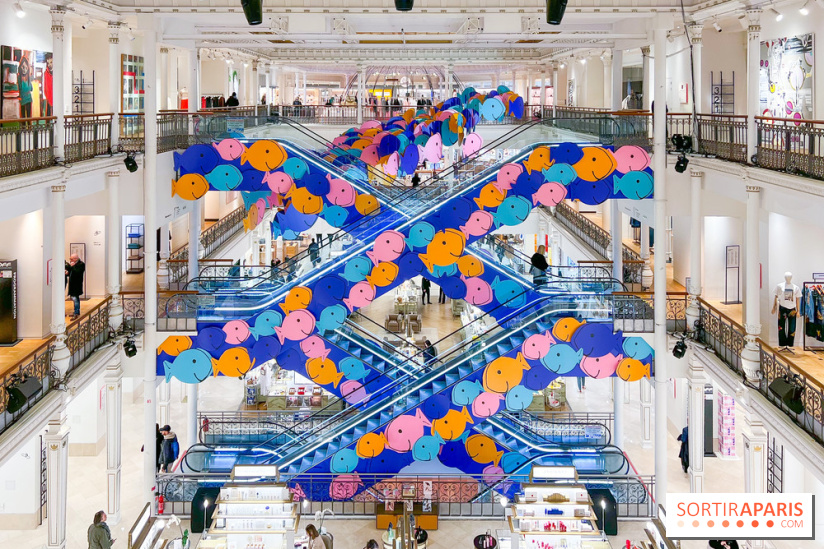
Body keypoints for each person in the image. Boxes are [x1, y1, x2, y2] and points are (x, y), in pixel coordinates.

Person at [65, 253, 85, 319]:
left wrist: (72, 267)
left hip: (77, 285)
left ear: (76, 259)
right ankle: (76, 311)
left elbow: (77, 272)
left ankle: (76, 312)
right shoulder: (73, 264)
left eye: (71, 259)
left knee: (75, 298)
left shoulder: (81, 264)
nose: (70, 260)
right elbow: (71, 272)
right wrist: (67, 273)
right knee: (75, 298)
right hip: (72, 284)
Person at [18, 54, 33, 119]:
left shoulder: (28, 77)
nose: (24, 69)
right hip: (23, 100)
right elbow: (21, 89)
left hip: (28, 99)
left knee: (29, 118)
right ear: (20, 67)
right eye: (23, 67)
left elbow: (31, 88)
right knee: (23, 118)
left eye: (26, 68)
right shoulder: (19, 78)